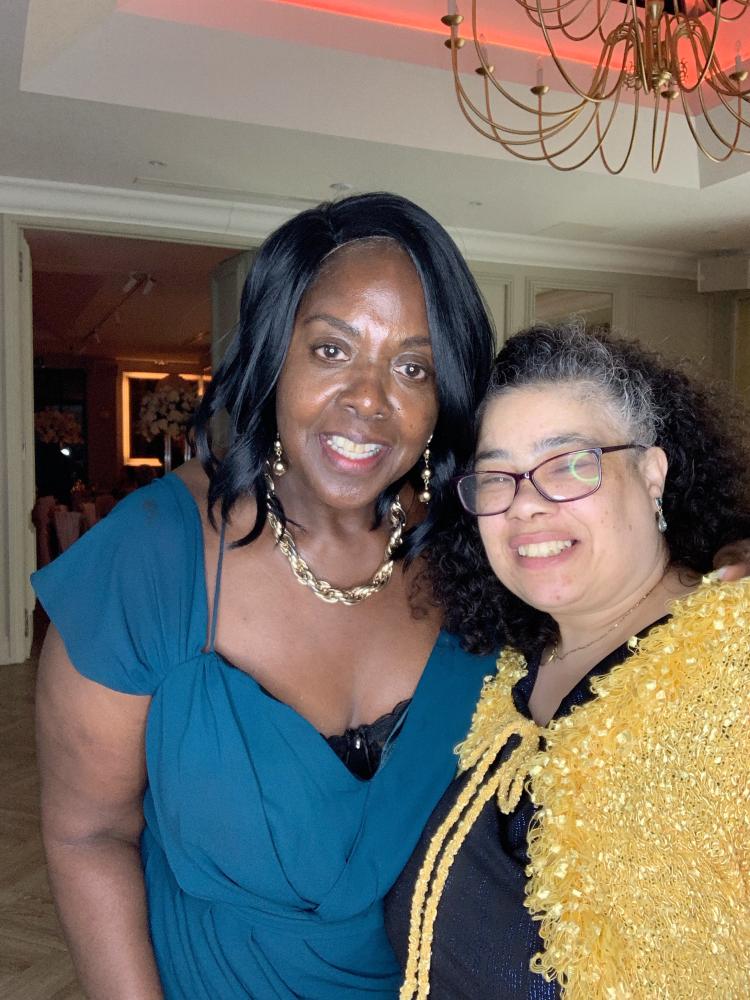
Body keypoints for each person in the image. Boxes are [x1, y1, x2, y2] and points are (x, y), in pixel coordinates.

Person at [32, 192, 500, 1000]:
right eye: (331, 349)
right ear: (273, 354)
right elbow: (89, 834)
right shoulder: (155, 555)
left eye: (412, 367)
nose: (369, 398)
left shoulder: (478, 555)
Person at [386, 324, 750, 999]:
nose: (527, 504)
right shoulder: (505, 672)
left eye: (570, 464)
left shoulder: (734, 673)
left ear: (652, 474)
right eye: (496, 477)